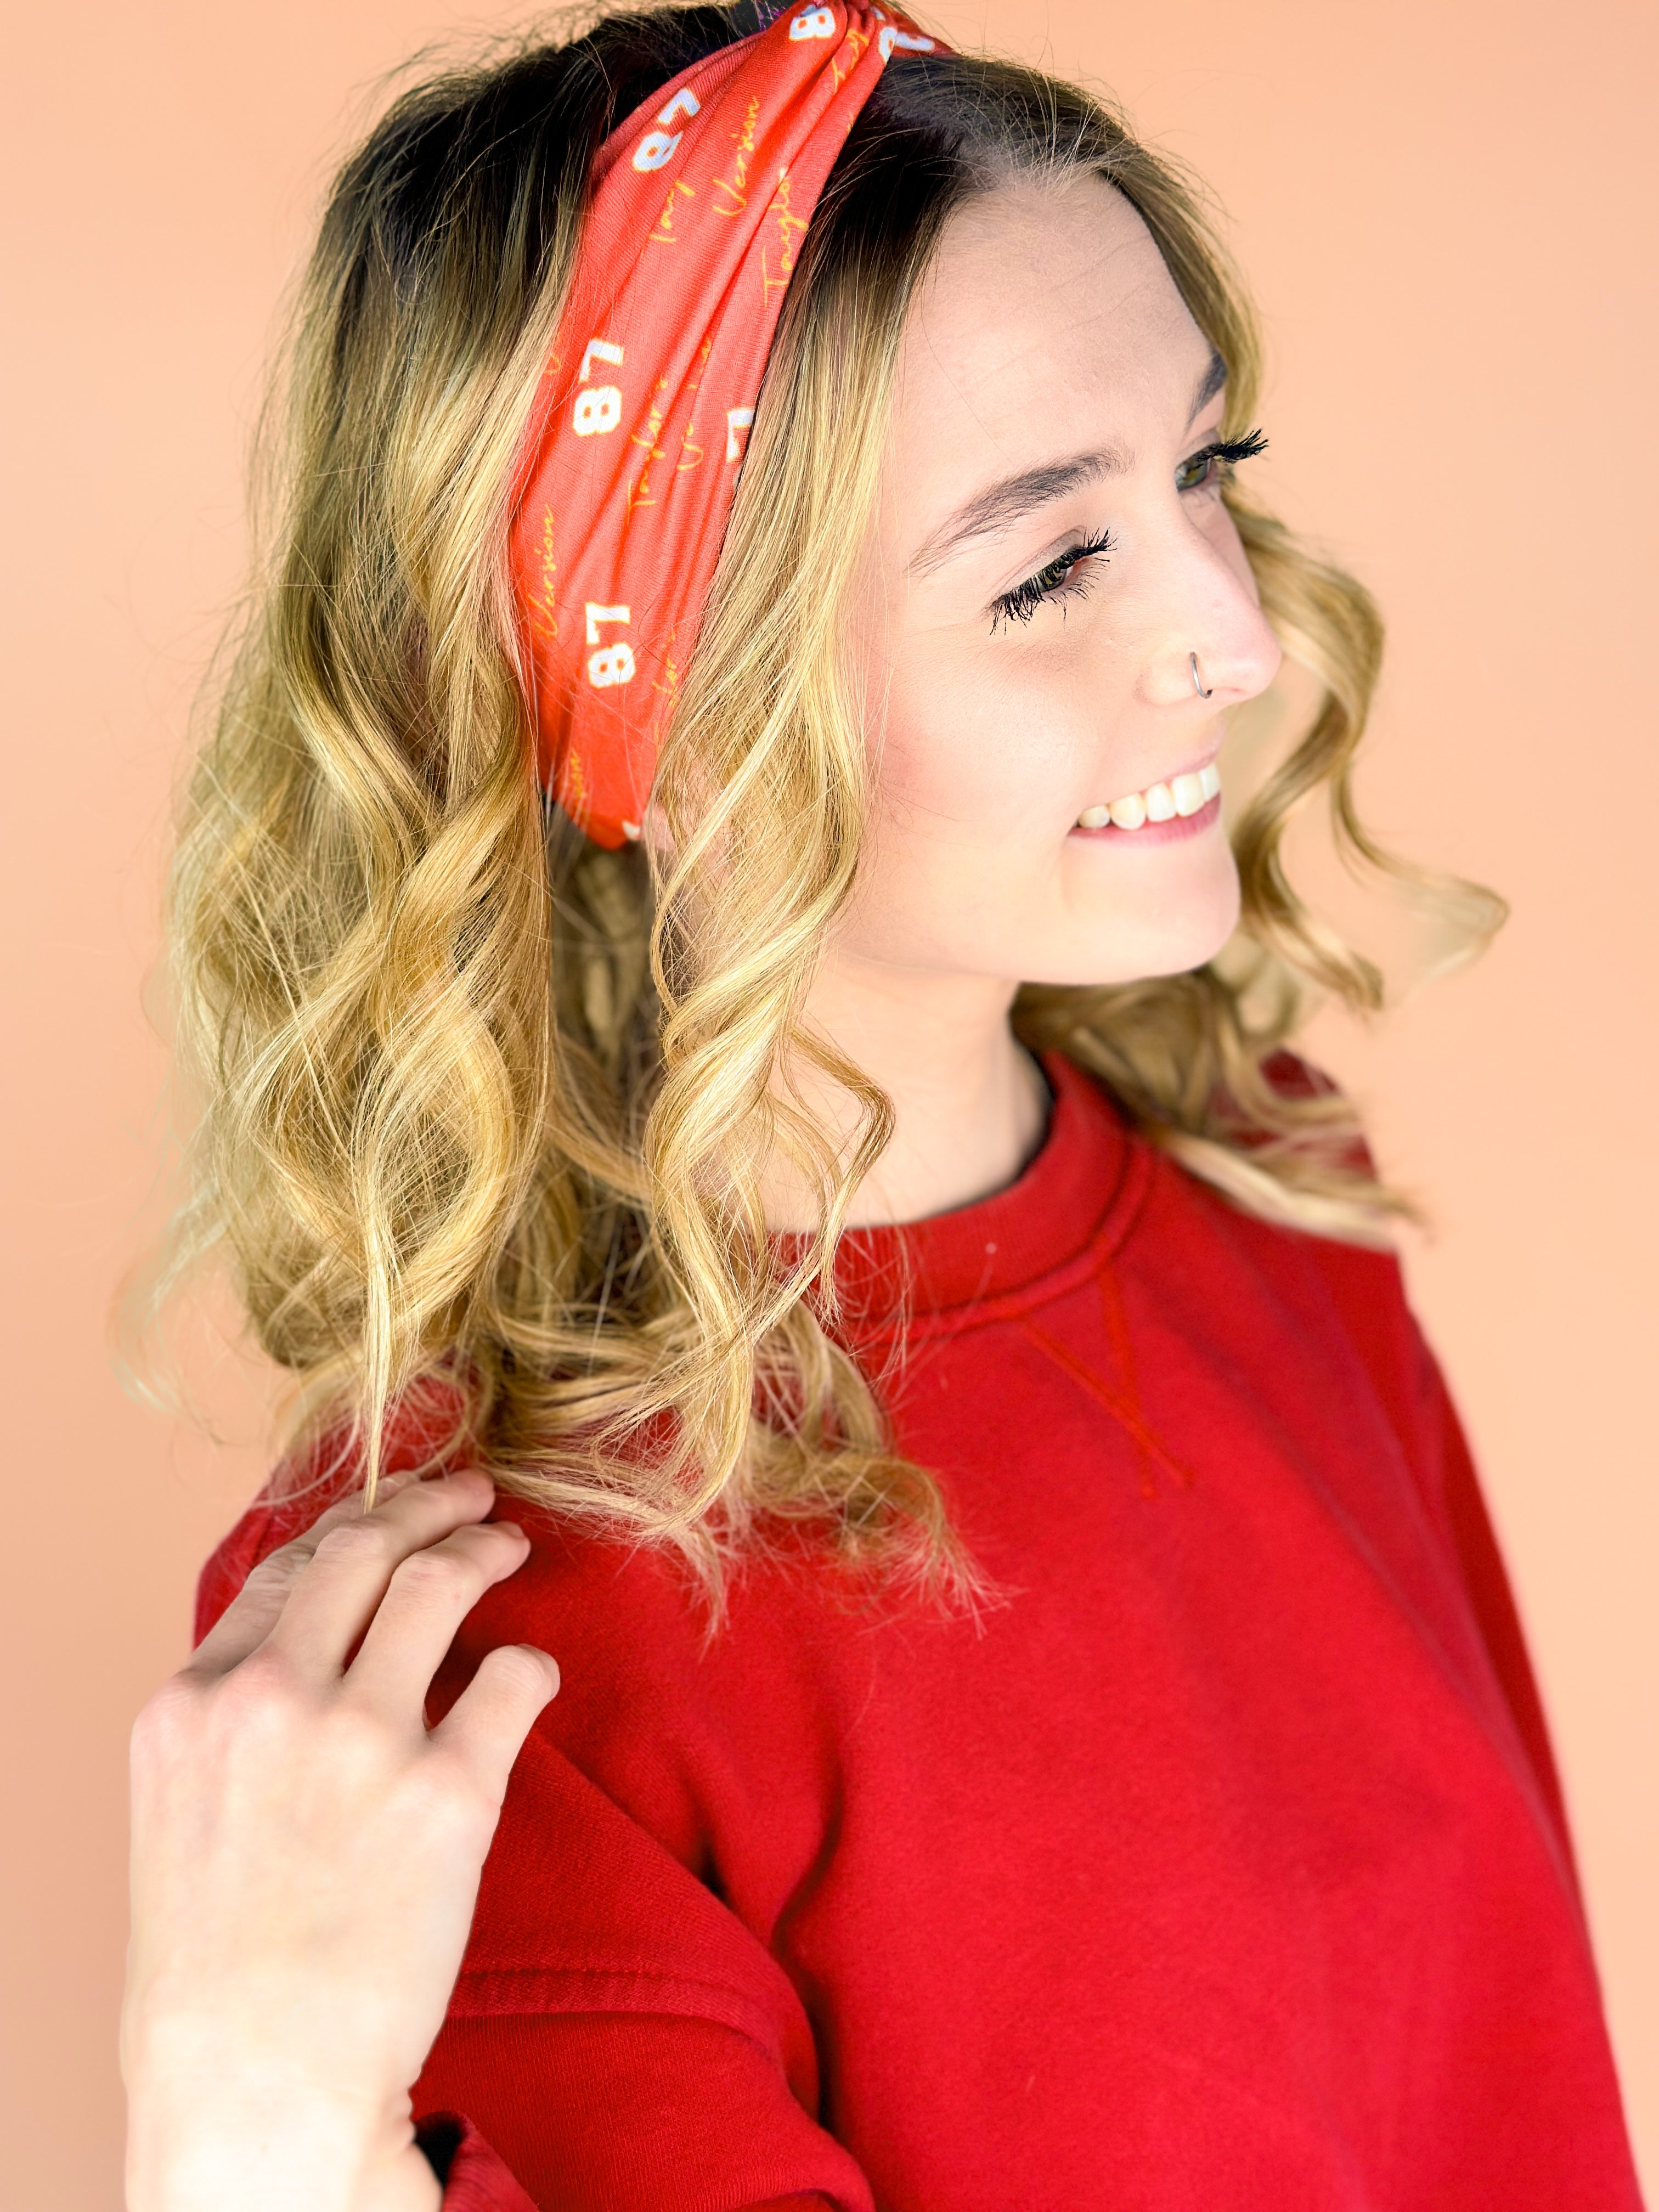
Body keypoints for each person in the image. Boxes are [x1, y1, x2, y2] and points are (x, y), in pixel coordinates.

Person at [120, 4, 1645, 2208]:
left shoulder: (1268, 1190)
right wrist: (239, 2128)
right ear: (667, 711)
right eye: (1048, 567)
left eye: (1205, 472)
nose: (1234, 636)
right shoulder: (471, 1646)